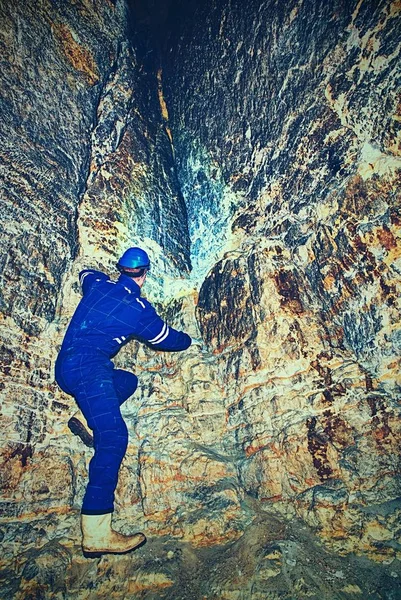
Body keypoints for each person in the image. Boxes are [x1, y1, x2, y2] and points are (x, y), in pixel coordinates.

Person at [55, 247, 192, 557]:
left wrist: (102, 277)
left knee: (127, 380)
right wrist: (189, 339)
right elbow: (167, 339)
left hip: (66, 367)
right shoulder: (138, 308)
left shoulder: (99, 285)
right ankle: (97, 534)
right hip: (90, 370)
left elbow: (86, 274)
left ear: (121, 270)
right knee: (115, 438)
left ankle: (92, 415)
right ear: (144, 274)